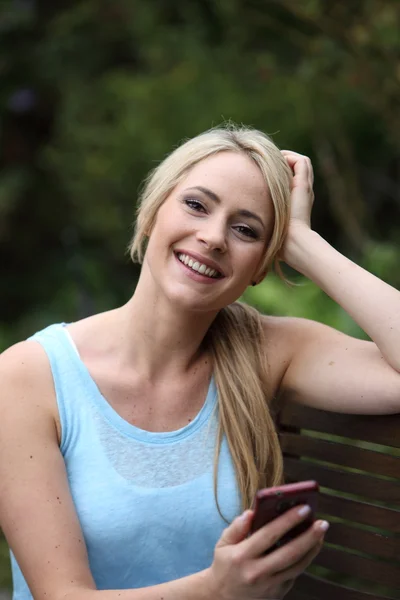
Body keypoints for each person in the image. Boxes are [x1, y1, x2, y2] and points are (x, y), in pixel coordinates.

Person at [0, 124, 399, 600]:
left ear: (260, 268)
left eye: (246, 230)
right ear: (151, 213)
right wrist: (215, 589)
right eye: (196, 205)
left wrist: (301, 241)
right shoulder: (26, 378)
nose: (212, 238)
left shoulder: (266, 352)